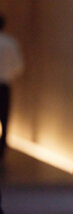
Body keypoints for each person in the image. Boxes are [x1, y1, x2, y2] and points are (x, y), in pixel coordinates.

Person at [0, 15, 24, 157]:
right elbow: (18, 66)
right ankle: (2, 146)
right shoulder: (10, 43)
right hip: (4, 84)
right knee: (4, 116)